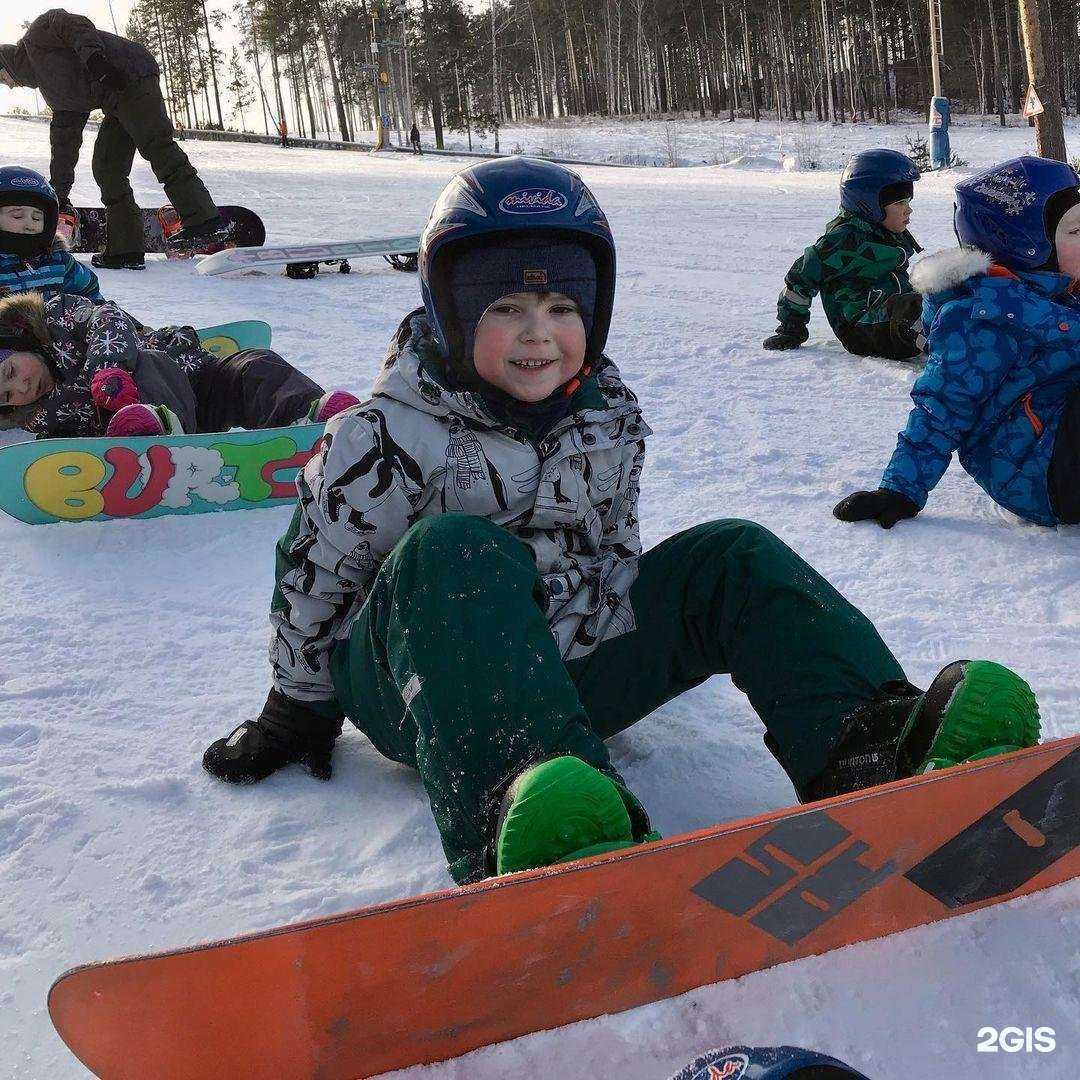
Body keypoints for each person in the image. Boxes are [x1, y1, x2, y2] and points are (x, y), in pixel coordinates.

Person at [200, 158, 1039, 886]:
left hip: (563, 670)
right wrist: (296, 708)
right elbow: (317, 571)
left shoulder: (607, 413)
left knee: (733, 554)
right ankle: (523, 817)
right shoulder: (381, 434)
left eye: (564, 309)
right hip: (422, 692)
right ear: (451, 312)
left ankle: (873, 749)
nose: (539, 336)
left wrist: (635, 629)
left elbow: (608, 553)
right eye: (505, 309)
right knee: (457, 552)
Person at [835, 155, 1080, 530]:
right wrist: (900, 489)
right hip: (1037, 471)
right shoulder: (983, 315)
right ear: (1029, 244)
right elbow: (943, 406)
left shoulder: (1060, 291)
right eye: (1076, 232)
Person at [0, 8, 231, 271]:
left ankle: (204, 219)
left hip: (130, 74)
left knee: (156, 146)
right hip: (114, 99)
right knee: (107, 167)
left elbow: (75, 25)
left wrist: (95, 59)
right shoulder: (54, 92)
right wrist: (58, 194)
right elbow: (64, 144)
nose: (7, 85)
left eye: (1, 77)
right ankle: (126, 249)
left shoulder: (37, 37)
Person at [0, 288, 358, 438]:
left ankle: (310, 413)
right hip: (156, 422)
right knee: (146, 378)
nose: (21, 387)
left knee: (253, 365)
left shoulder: (58, 317)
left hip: (196, 378)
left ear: (16, 341)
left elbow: (107, 318)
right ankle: (157, 429)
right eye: (6, 396)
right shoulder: (42, 416)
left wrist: (108, 368)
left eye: (10, 372)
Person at [763, 149, 924, 361]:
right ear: (869, 205)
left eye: (908, 202)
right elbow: (800, 278)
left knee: (946, 292)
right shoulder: (842, 240)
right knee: (918, 310)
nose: (908, 210)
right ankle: (947, 347)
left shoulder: (885, 233)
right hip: (861, 327)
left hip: (890, 316)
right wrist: (791, 330)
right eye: (899, 203)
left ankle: (956, 332)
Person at [0, 166, 100, 300]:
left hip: (52, 314)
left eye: (37, 218)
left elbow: (89, 290)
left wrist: (97, 310)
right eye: (17, 216)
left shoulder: (59, 261)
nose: (29, 224)